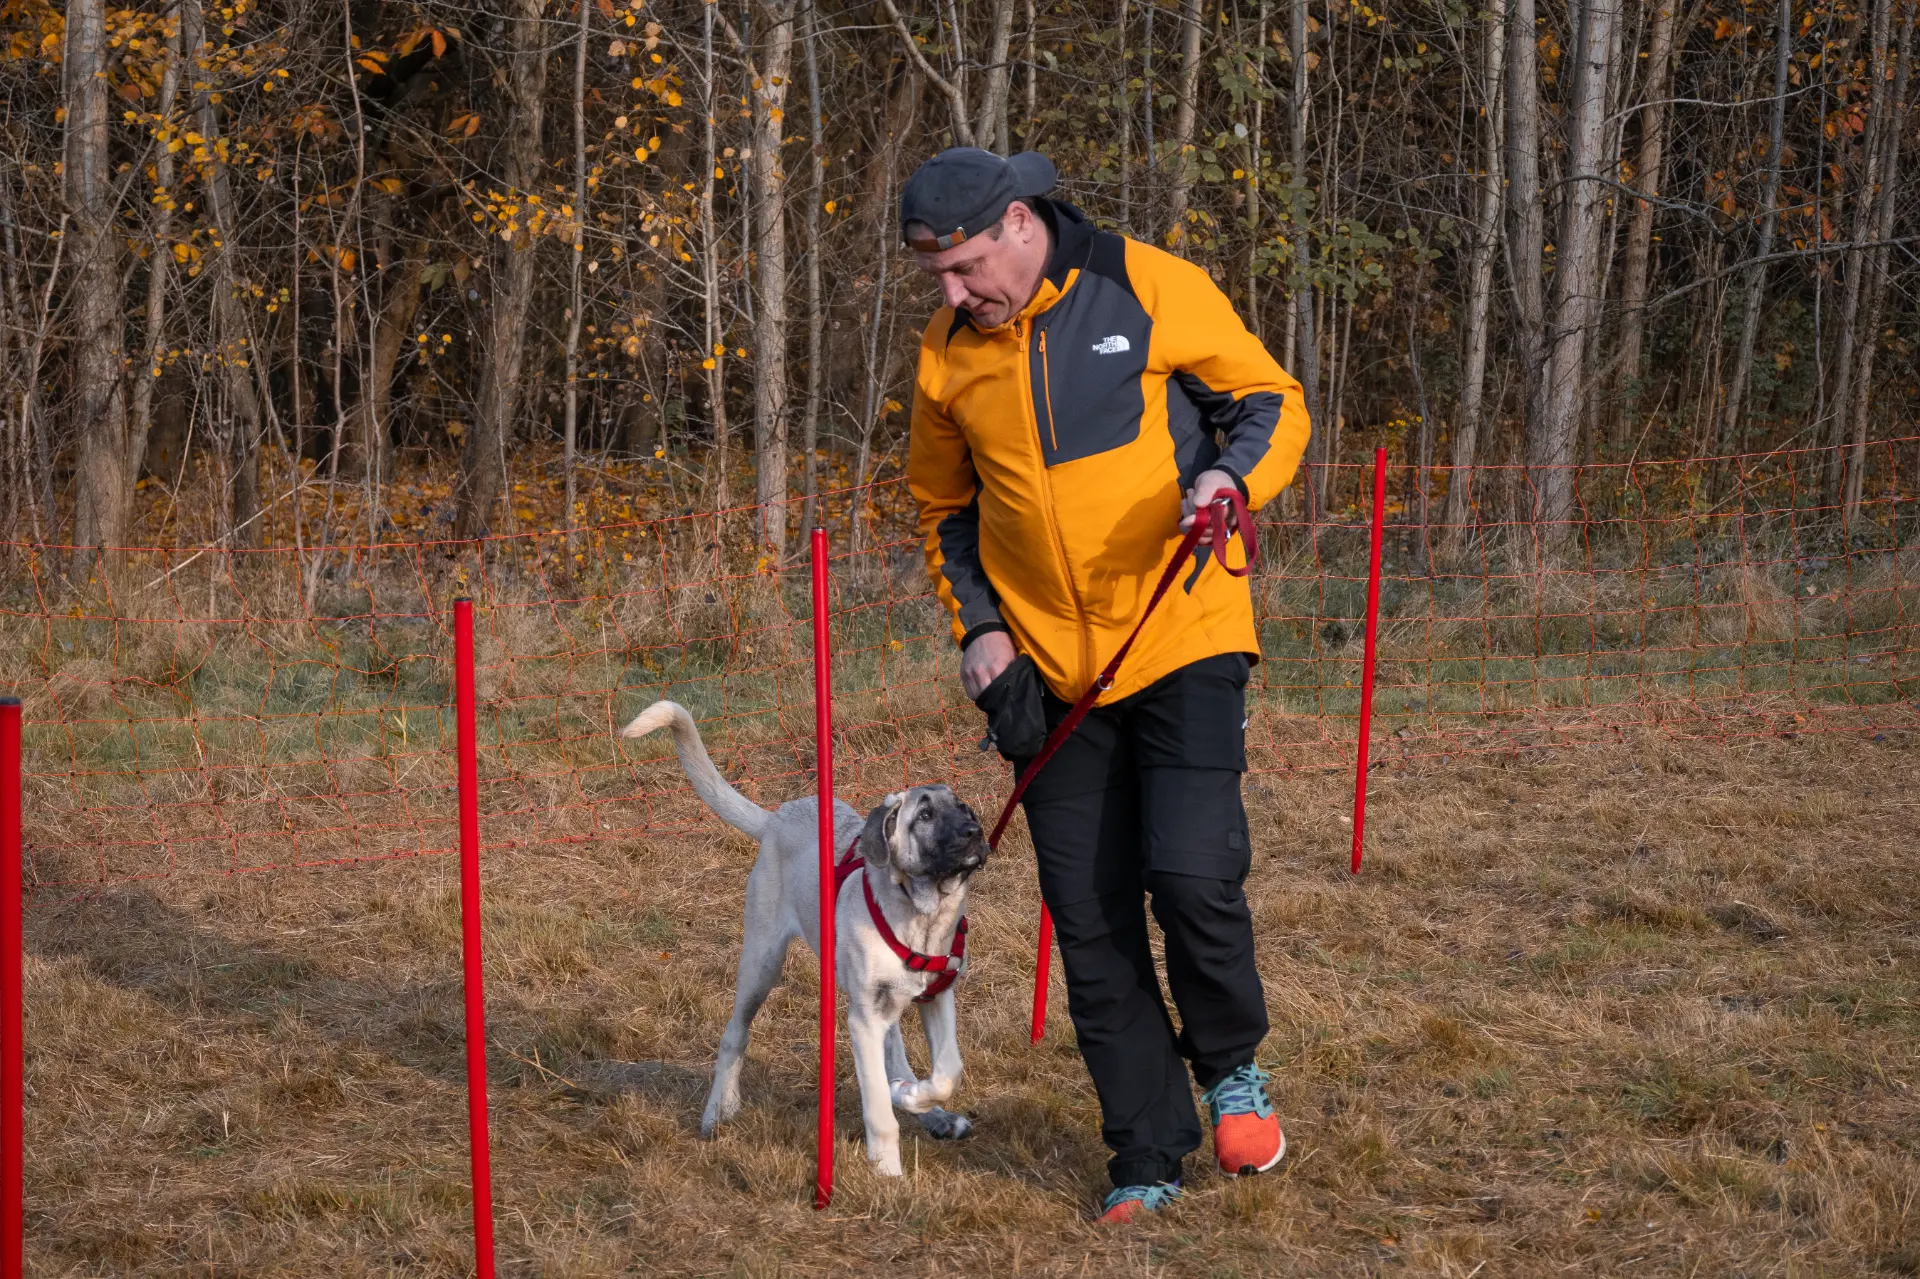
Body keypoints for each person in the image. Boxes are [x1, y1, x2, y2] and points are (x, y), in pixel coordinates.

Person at [902, 147, 1312, 1223]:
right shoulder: (949, 357)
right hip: (1044, 679)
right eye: (937, 278)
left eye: (966, 268)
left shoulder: (1145, 283)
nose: (952, 297)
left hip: (1183, 632)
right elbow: (944, 512)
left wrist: (1229, 477)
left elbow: (1270, 400)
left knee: (1190, 873)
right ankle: (1146, 1150)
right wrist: (981, 634)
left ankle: (1230, 1067)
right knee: (1088, 919)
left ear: (1023, 225)